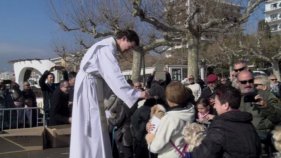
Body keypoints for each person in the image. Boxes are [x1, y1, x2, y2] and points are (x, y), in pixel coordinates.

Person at [69, 29, 148, 158]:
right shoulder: (106, 49)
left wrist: (132, 90)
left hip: (93, 85)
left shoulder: (108, 48)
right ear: (123, 39)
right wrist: (137, 94)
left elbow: (110, 79)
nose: (129, 50)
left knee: (96, 124)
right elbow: (114, 77)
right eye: (130, 46)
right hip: (89, 86)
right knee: (91, 124)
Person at [192, 85, 261, 158]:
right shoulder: (249, 125)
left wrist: (194, 147)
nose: (214, 106)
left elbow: (204, 155)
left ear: (225, 105)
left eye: (216, 103)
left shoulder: (220, 127)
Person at [145, 81, 195, 158]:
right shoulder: (190, 110)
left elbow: (155, 147)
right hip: (183, 152)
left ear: (168, 98)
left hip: (170, 154)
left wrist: (150, 136)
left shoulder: (170, 118)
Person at [238, 70, 281, 156]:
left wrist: (266, 106)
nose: (247, 84)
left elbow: (278, 116)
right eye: (244, 82)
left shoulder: (266, 96)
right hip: (239, 147)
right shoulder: (234, 97)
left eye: (250, 81)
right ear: (238, 83)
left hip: (262, 146)